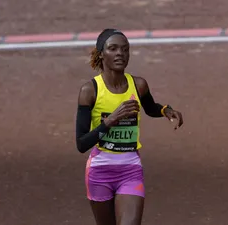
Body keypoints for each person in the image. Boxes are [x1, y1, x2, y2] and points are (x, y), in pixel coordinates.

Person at [75, 28, 183, 225]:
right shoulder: (90, 91)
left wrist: (166, 110)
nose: (120, 54)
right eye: (113, 49)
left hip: (130, 169)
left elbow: (150, 108)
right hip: (100, 172)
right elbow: (81, 143)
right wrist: (111, 120)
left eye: (125, 49)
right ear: (101, 54)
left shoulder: (138, 85)